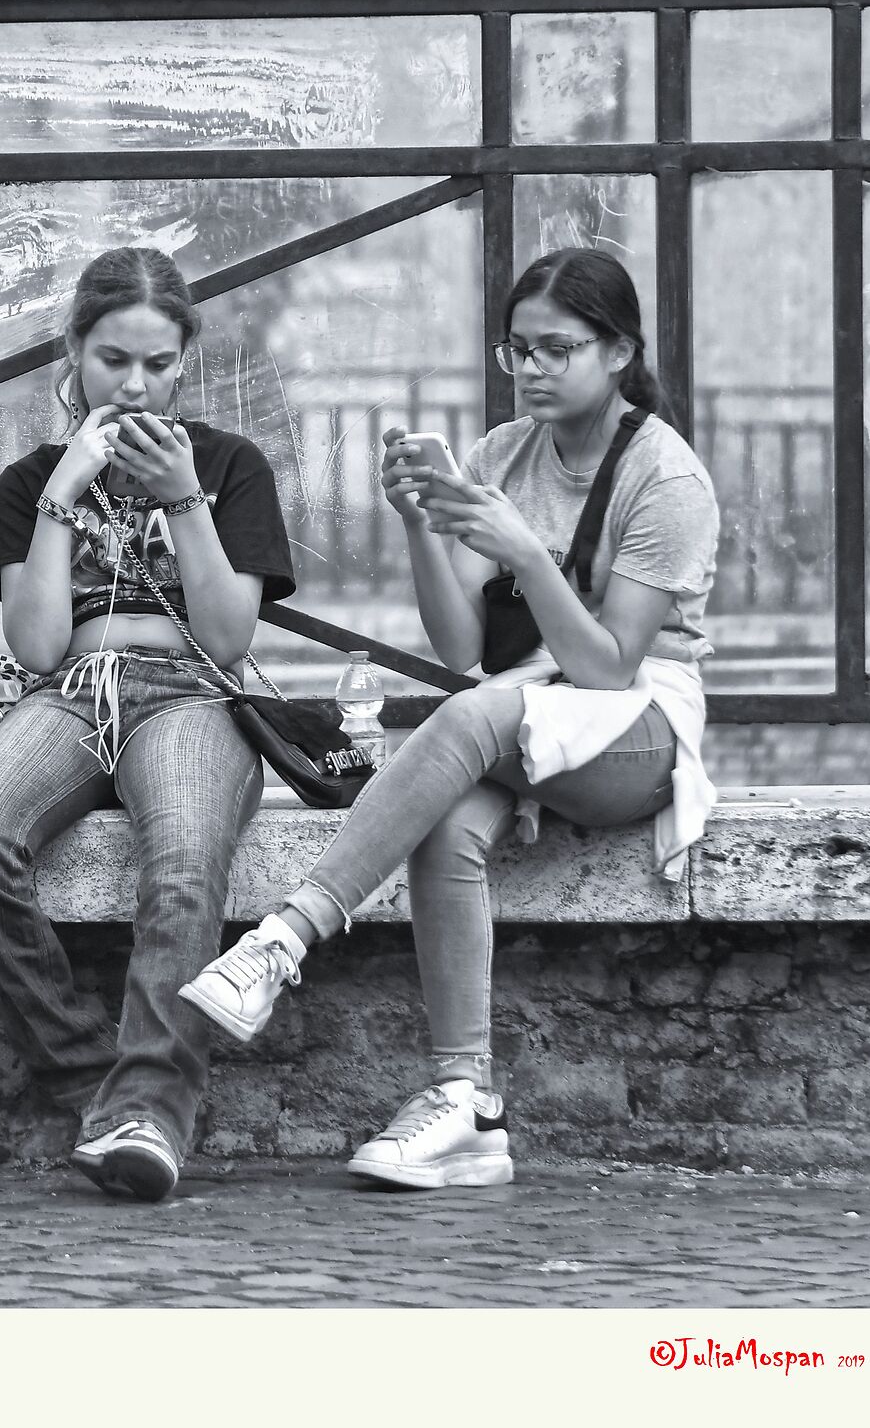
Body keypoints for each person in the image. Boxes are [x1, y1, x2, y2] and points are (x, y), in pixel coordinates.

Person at [181, 248, 720, 1190]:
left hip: (634, 728)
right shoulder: (502, 454)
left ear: (620, 352)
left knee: (475, 717)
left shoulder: (666, 479)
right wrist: (421, 525)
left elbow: (609, 667)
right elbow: (463, 643)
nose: (534, 369)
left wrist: (528, 553)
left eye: (558, 349)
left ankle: (284, 938)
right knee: (445, 823)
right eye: (519, 350)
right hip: (521, 712)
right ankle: (467, 1102)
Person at [0, 246, 295, 1204]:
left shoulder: (229, 465)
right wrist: (64, 493)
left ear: (184, 363)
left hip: (190, 692)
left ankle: (152, 1112)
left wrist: (182, 497)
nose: (134, 386)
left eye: (158, 365)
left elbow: (228, 636)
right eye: (113, 361)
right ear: (75, 354)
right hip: (71, 690)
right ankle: (96, 1082)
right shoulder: (33, 479)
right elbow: (38, 645)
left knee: (184, 856)